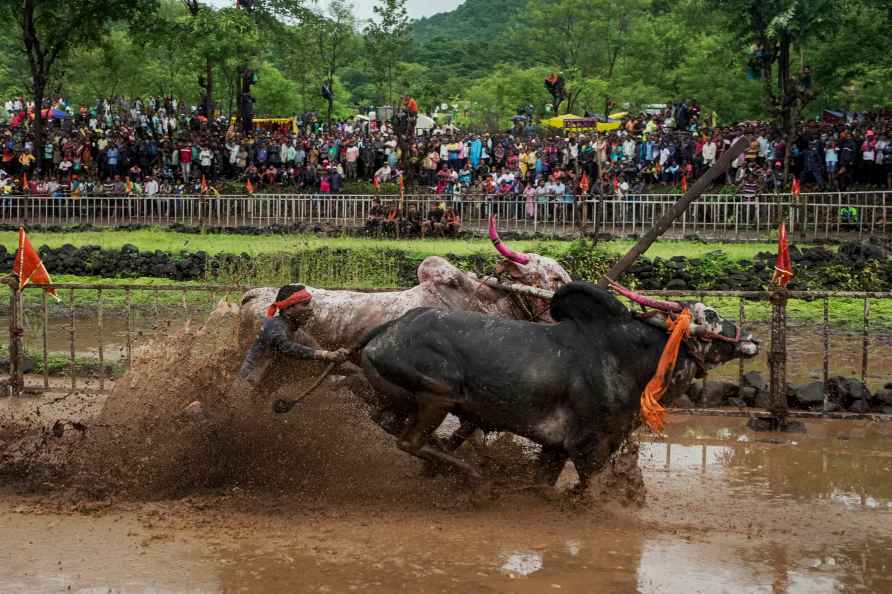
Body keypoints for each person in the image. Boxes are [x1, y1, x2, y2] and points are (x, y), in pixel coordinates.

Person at [234, 284, 348, 401]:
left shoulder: (295, 331)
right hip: (248, 385)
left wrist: (334, 355)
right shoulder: (274, 326)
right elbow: (287, 347)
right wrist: (325, 354)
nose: (310, 309)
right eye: (305, 304)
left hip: (265, 383)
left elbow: (316, 349)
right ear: (288, 309)